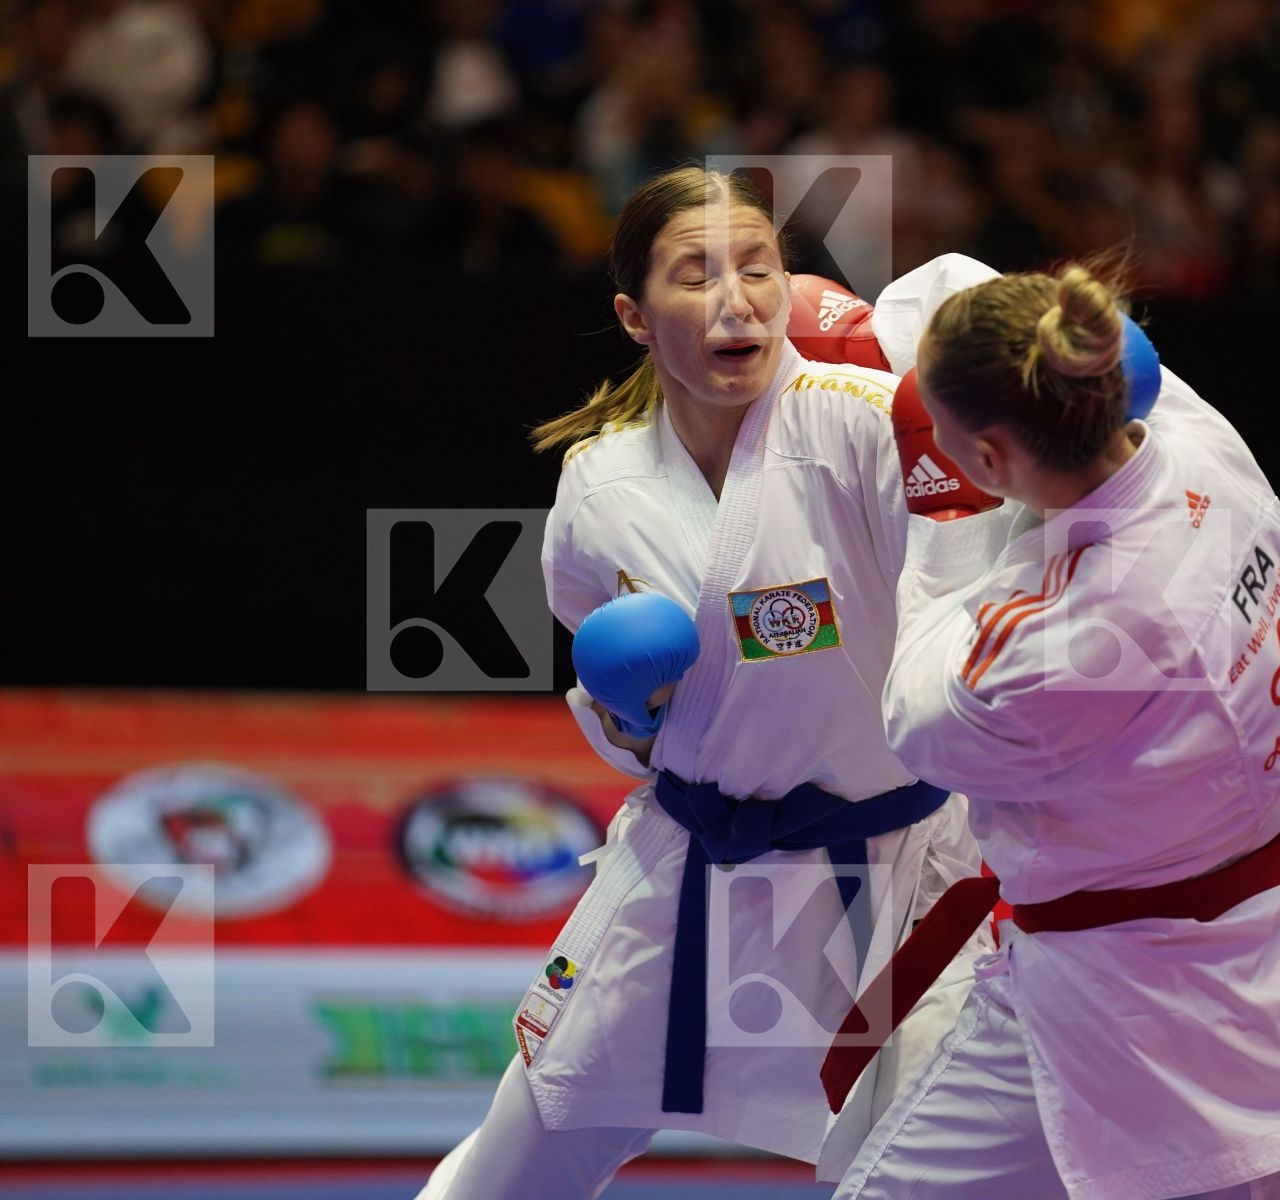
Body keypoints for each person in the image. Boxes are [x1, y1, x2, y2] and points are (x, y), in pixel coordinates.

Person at [820, 259, 1280, 1199]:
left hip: (1124, 993)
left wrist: (946, 512)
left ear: (994, 462)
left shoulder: (1062, 644)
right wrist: (887, 320)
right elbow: (975, 285)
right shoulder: (1196, 442)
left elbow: (915, 720)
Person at [413, 165, 988, 1200]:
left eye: (757, 268)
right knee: (517, 1159)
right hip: (688, 867)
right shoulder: (598, 486)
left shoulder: (865, 424)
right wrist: (627, 715)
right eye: (695, 275)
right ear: (634, 317)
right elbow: (626, 722)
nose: (735, 300)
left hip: (891, 875)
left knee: (920, 1175)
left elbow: (972, 596)